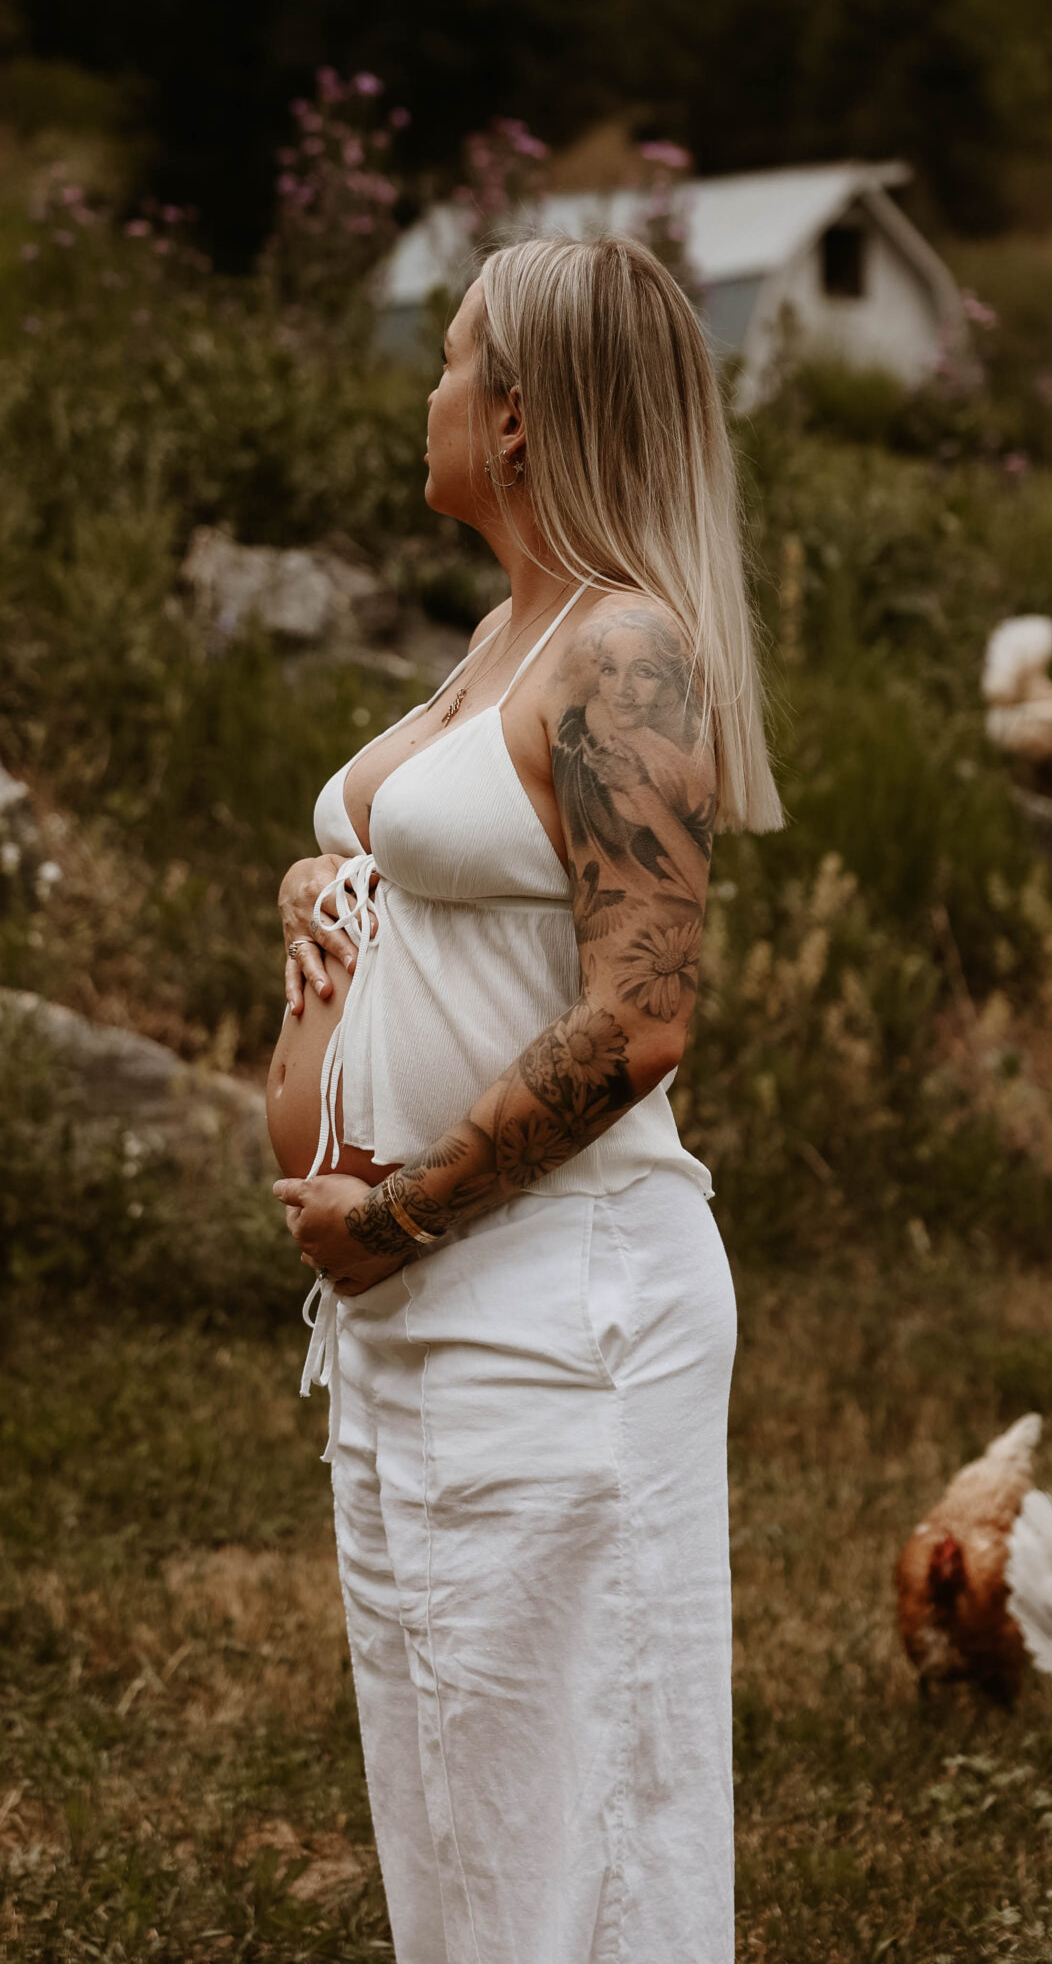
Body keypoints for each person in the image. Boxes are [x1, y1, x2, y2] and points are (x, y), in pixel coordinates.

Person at [270, 233, 781, 1964]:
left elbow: (638, 1021)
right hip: (418, 1316)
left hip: (559, 1310)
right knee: (460, 1822)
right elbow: (422, 856)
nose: (422, 392)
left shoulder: (625, 651)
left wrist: (398, 1213)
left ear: (516, 413)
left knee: (594, 1844)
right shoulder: (505, 631)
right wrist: (323, 892)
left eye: (448, 358)